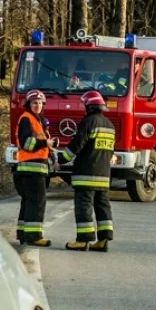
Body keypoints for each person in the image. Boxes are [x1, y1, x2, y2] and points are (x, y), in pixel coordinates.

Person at [59, 90, 116, 252]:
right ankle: (103, 239)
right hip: (104, 175)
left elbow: (76, 146)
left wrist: (60, 161)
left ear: (89, 107)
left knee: (84, 206)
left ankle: (83, 240)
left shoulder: (88, 122)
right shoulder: (110, 126)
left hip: (86, 174)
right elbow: (110, 151)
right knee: (103, 206)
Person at [14, 89, 58, 247]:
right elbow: (27, 143)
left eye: (40, 103)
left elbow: (39, 143)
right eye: (34, 103)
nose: (38, 105)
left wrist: (50, 146)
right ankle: (33, 236)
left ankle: (23, 233)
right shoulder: (27, 119)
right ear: (28, 104)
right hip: (31, 168)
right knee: (37, 201)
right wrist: (45, 143)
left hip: (32, 168)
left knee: (28, 201)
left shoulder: (37, 120)